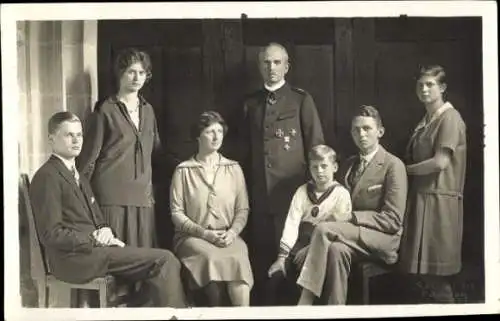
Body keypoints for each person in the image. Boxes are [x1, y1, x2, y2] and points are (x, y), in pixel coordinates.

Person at [29, 111, 187, 308]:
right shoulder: (48, 176)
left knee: (157, 268)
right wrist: (93, 239)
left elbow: (97, 217)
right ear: (52, 139)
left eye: (79, 135)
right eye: (69, 135)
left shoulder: (78, 175)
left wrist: (105, 229)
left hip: (93, 253)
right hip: (73, 260)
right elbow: (50, 234)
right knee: (164, 260)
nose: (76, 140)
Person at [296, 105, 408, 305]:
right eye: (356, 129)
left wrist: (351, 218)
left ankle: (305, 299)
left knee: (323, 230)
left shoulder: (393, 165)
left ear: (380, 132)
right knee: (335, 251)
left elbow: (393, 220)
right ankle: (336, 310)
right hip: (350, 237)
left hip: (382, 239)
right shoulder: (348, 165)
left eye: (367, 128)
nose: (361, 134)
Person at [240, 42, 325, 305]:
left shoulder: (301, 99)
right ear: (259, 66)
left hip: (292, 194)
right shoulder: (250, 103)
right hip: (258, 194)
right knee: (263, 256)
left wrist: (314, 193)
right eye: (266, 62)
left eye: (277, 62)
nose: (271, 68)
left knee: (292, 257)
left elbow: (316, 147)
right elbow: (244, 151)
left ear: (287, 66)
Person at [77, 48, 160, 248]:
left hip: (142, 198)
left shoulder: (148, 110)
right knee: (117, 261)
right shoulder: (105, 110)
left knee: (141, 259)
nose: (137, 77)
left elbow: (154, 150)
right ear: (120, 73)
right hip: (111, 199)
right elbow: (88, 160)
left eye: (142, 73)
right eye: (131, 71)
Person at [398, 65, 467, 303]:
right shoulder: (426, 121)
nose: (424, 89)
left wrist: (402, 171)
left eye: (430, 84)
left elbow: (440, 162)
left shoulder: (449, 117)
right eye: (420, 85)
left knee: (437, 277)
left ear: (443, 88)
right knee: (424, 277)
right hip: (421, 200)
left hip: (439, 204)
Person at [170, 111, 253, 307]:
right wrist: (205, 234)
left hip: (227, 236)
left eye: (219, 131)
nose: (216, 137)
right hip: (194, 238)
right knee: (209, 257)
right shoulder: (183, 170)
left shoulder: (233, 168)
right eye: (210, 132)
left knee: (239, 256)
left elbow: (243, 209)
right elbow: (177, 213)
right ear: (198, 136)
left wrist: (232, 233)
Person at [266, 145, 352, 305]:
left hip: (327, 243)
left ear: (334, 167)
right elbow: (291, 223)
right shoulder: (302, 191)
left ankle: (309, 303)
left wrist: (314, 247)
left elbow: (340, 228)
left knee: (323, 259)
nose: (319, 171)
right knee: (280, 275)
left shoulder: (341, 194)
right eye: (315, 167)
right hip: (301, 245)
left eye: (324, 166)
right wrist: (282, 257)